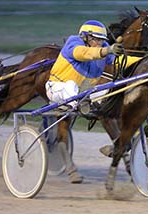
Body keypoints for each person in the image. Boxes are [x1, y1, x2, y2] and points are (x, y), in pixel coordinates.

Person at [45, 20, 131, 183]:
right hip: (58, 88)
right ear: (85, 37)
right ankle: (81, 104)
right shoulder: (74, 43)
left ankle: (92, 107)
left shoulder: (102, 48)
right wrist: (106, 50)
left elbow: (121, 62)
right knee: (71, 86)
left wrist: (144, 62)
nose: (99, 43)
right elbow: (82, 54)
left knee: (112, 91)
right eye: (96, 39)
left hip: (85, 92)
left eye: (101, 40)